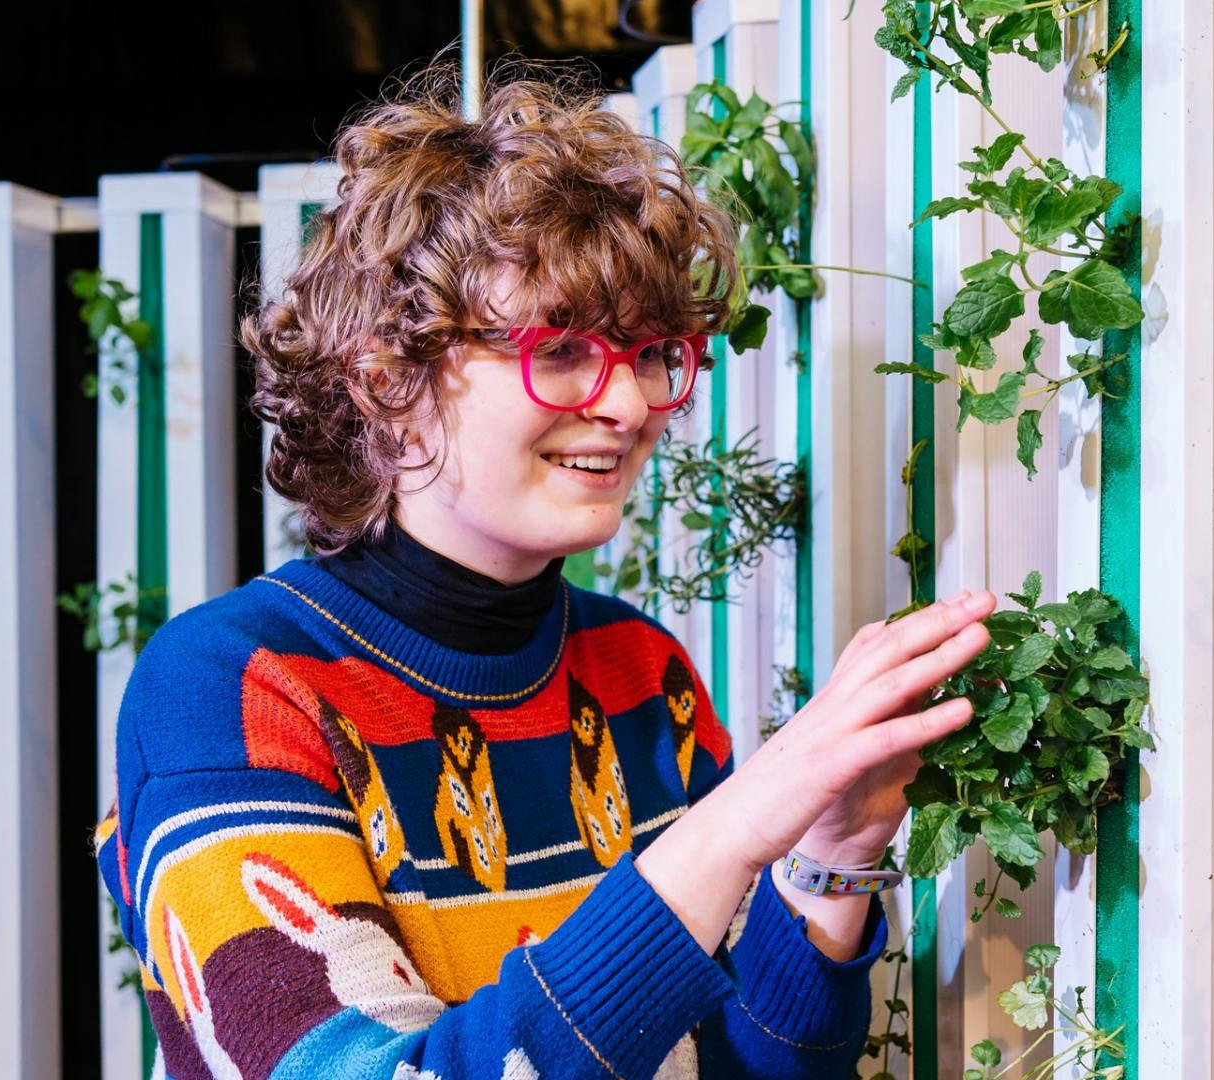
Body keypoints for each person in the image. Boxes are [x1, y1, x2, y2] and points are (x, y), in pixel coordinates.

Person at [94, 65, 995, 1079]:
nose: (630, 403)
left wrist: (831, 857)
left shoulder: (639, 669)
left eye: (649, 352)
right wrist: (733, 828)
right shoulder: (232, 686)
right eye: (561, 348)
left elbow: (749, 1067)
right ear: (386, 377)